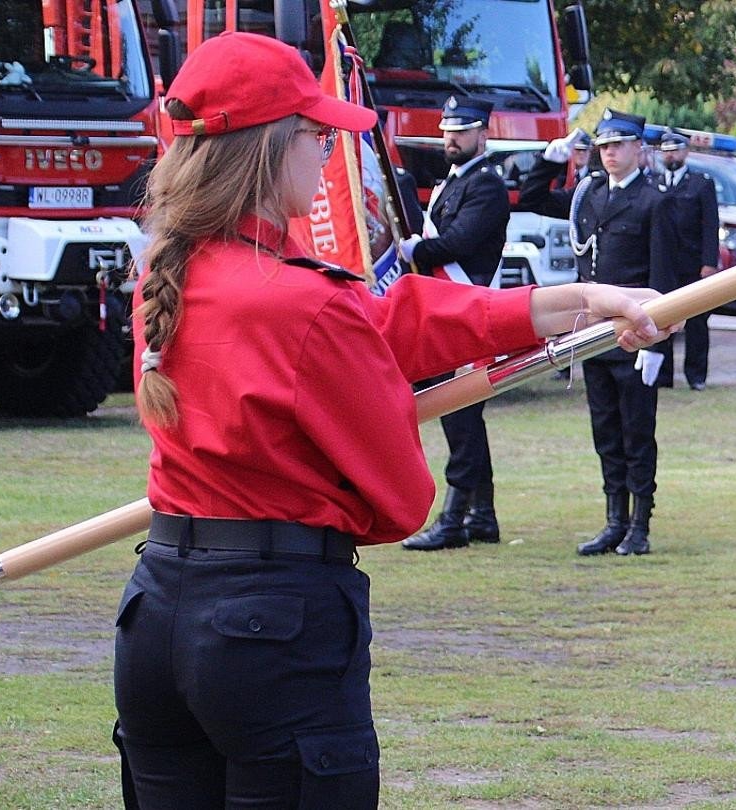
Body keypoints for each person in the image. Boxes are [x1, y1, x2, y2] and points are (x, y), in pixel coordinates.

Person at [112, 32, 664, 808]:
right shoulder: (301, 300)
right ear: (273, 150)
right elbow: (401, 500)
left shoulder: (172, 274)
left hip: (157, 611)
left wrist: (580, 302)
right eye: (318, 133)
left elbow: (390, 320)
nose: (328, 150)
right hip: (272, 627)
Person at [520, 109, 676, 556]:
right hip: (593, 333)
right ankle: (614, 520)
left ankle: (640, 525)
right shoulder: (589, 194)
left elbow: (663, 272)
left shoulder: (654, 200)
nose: (610, 154)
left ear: (638, 148)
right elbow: (533, 198)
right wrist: (551, 161)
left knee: (637, 431)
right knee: (605, 429)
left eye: (619, 145)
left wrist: (660, 341)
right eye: (604, 146)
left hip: (636, 333)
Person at [397, 96, 512, 551]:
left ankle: (454, 519)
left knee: (461, 415)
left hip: (468, 312)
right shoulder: (453, 181)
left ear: (483, 133)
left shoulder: (486, 185)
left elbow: (461, 241)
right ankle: (482, 517)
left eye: (461, 131)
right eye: (447, 130)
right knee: (462, 417)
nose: (450, 138)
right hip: (449, 311)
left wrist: (416, 252)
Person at [655, 130, 720, 390]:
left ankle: (696, 376)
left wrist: (709, 262)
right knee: (661, 320)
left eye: (675, 149)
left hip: (692, 264)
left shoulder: (700, 183)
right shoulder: (654, 181)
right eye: (666, 149)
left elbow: (710, 225)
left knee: (696, 322)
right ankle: (662, 376)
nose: (670, 154)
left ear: (686, 152)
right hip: (663, 264)